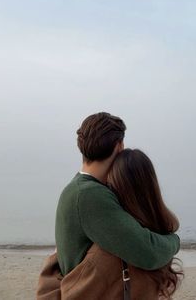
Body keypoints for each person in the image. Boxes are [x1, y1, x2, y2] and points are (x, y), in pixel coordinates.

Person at [37, 148, 183, 299]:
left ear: (117, 185)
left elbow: (68, 294)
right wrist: (174, 240)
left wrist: (55, 258)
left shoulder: (116, 248)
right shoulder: (157, 238)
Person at [55, 112, 180, 276]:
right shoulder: (89, 195)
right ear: (119, 146)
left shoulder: (76, 187)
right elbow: (149, 253)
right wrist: (175, 241)